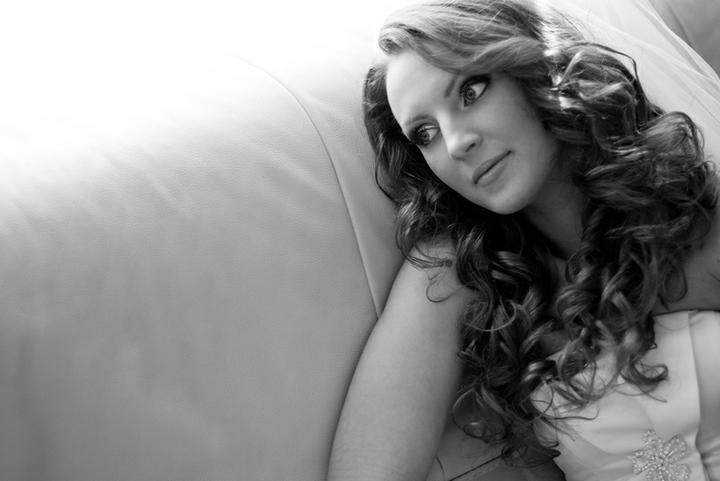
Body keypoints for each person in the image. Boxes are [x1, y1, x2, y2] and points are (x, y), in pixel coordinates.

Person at [327, 1, 720, 480]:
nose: (456, 144)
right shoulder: (457, 272)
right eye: (425, 133)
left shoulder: (695, 215)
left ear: (534, 70)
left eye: (470, 92)